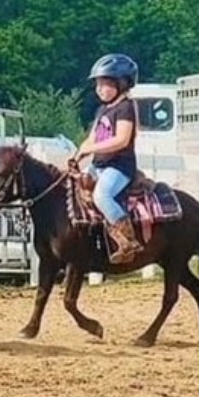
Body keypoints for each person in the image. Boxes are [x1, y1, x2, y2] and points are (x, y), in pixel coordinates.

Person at [74, 52, 143, 263]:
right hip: (99, 165)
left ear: (122, 83)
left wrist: (92, 147)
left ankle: (128, 240)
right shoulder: (103, 110)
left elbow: (122, 140)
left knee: (102, 196)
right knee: (75, 188)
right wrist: (77, 156)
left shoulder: (125, 108)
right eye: (97, 85)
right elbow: (92, 137)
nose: (99, 89)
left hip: (119, 167)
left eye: (105, 84)